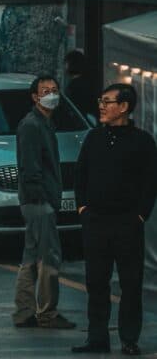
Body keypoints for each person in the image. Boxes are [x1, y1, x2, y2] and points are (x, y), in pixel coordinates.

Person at [72, 82, 157, 356]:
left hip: (127, 223)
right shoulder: (94, 137)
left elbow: (151, 182)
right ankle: (97, 338)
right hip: (95, 221)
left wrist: (140, 215)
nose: (101, 106)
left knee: (130, 284)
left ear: (123, 107)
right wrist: (82, 208)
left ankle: (129, 339)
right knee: (96, 282)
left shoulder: (142, 141)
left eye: (107, 102)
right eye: (101, 101)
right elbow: (80, 174)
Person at [12, 74, 76, 331]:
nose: (52, 94)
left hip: (38, 199)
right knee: (49, 257)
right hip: (38, 200)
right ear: (35, 97)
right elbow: (30, 168)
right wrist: (42, 198)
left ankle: (24, 311)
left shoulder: (45, 124)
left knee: (31, 255)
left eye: (55, 90)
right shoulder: (32, 125)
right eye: (45, 91)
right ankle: (47, 313)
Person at [64, 50, 99, 122]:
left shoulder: (74, 85)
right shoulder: (88, 83)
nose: (65, 67)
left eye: (66, 63)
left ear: (72, 64)